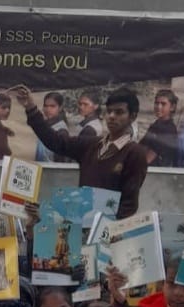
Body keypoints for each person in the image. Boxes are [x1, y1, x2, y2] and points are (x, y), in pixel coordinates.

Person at [17, 86, 147, 219]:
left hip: (106, 228)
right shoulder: (92, 145)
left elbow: (128, 207)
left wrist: (99, 225)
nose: (112, 116)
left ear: (132, 116)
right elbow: (56, 142)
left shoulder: (135, 153)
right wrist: (31, 108)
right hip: (82, 224)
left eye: (119, 112)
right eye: (109, 111)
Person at [140, 89, 180, 167]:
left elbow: (149, 158)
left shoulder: (168, 129)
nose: (159, 107)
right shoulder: (155, 125)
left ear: (172, 107)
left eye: (163, 104)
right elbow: (141, 146)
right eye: (156, 103)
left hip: (159, 170)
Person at [34, 92, 70, 163]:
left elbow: (60, 161)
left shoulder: (61, 131)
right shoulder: (45, 126)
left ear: (60, 108)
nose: (48, 109)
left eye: (52, 106)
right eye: (46, 106)